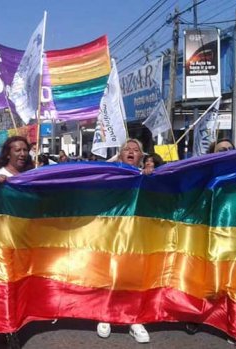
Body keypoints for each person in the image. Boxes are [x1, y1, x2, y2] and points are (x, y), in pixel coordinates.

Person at [97, 138, 150, 344]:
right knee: (110, 272)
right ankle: (105, 313)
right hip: (111, 232)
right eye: (126, 149)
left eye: (135, 150)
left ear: (141, 156)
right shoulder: (109, 174)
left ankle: (135, 320)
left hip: (139, 235)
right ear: (119, 155)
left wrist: (150, 176)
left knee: (134, 276)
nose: (131, 151)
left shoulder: (148, 175)